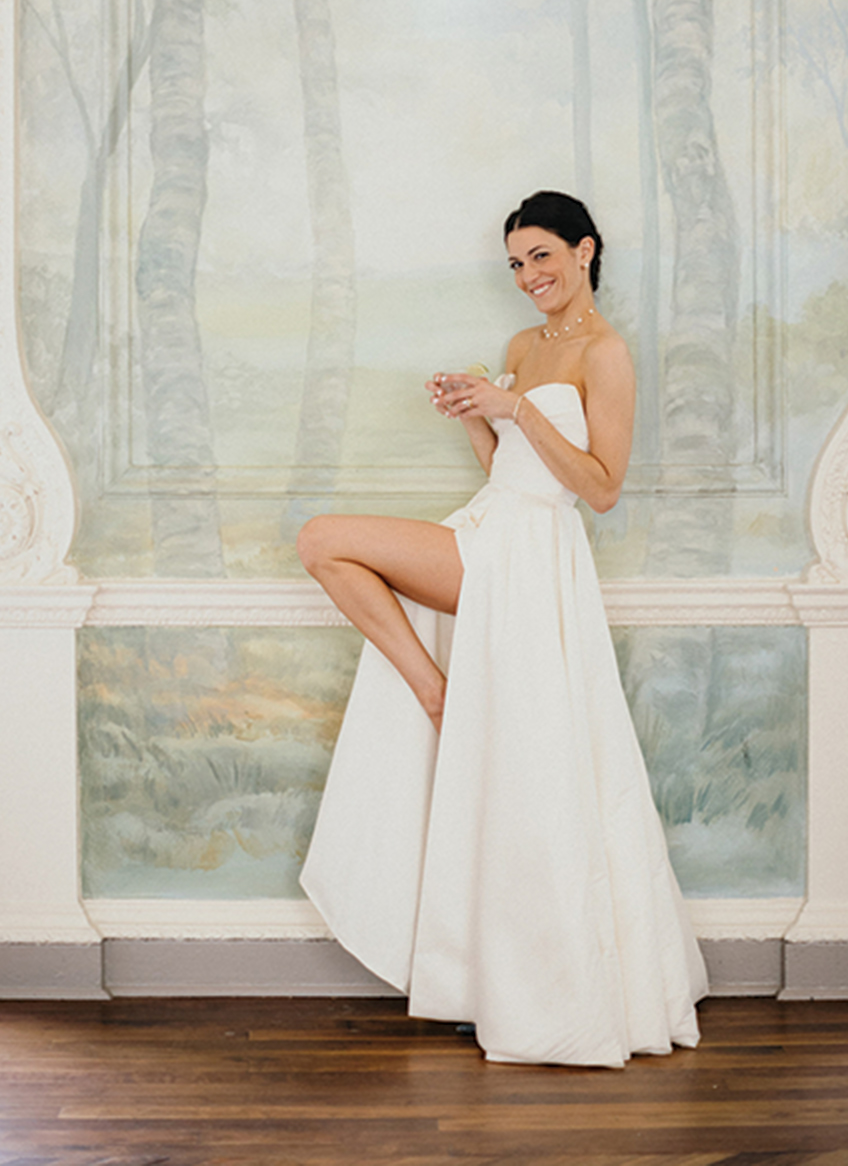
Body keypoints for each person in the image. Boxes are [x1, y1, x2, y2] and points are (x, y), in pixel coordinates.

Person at [297, 190, 708, 1067]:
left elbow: (597, 488)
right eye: (516, 264)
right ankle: (433, 687)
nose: (528, 277)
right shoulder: (525, 346)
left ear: (586, 250)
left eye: (542, 258)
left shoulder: (607, 352)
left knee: (323, 540)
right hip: (491, 525)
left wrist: (516, 408)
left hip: (532, 556)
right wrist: (479, 417)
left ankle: (434, 691)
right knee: (327, 545)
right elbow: (512, 470)